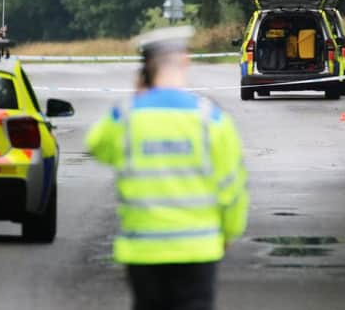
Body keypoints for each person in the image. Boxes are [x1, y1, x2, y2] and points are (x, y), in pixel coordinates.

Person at [86, 25, 248, 310]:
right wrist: (228, 234)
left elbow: (97, 146)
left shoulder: (125, 116)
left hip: (143, 251)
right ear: (186, 61)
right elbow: (232, 187)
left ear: (145, 69)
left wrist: (138, 95)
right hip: (198, 250)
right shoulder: (211, 119)